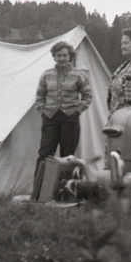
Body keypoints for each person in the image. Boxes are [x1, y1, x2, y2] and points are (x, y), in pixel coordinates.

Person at [34, 40, 93, 170]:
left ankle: (64, 189)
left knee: (68, 158)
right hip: (50, 119)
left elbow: (88, 96)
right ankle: (39, 189)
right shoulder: (46, 75)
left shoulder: (79, 75)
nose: (61, 58)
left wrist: (77, 112)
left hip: (70, 120)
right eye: (59, 55)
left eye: (64, 55)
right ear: (54, 57)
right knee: (44, 156)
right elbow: (39, 96)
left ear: (70, 56)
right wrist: (43, 112)